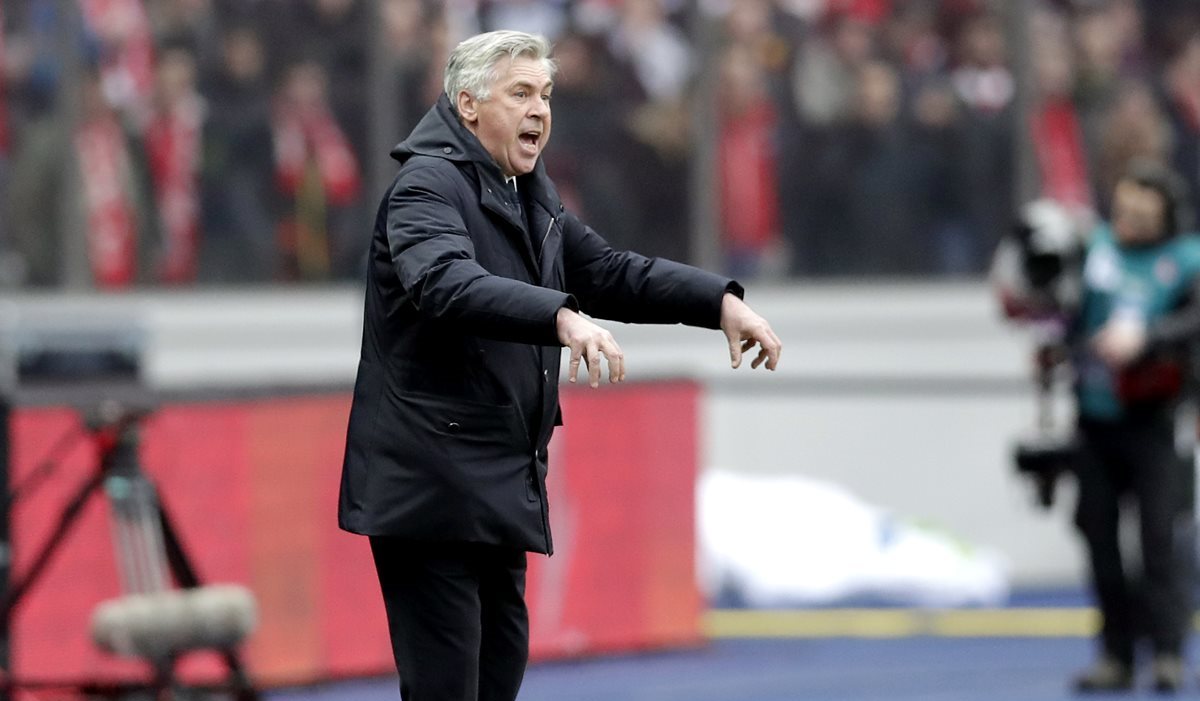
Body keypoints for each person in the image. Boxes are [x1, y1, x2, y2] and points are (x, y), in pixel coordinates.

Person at [336, 30, 782, 701]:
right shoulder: (424, 187)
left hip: (494, 479)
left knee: (498, 675)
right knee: (447, 688)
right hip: (429, 485)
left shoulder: (527, 190)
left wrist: (717, 300)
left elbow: (608, 271)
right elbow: (446, 283)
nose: (539, 110)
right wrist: (559, 315)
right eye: (520, 93)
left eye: (545, 94)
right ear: (468, 104)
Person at [1069, 161, 1200, 693]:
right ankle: (1115, 652)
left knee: (1159, 539)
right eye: (1124, 212)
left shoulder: (1186, 260)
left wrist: (1147, 337)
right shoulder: (1097, 250)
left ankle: (1167, 651)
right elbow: (1064, 309)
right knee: (1098, 537)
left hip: (1157, 418)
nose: (1130, 225)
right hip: (1096, 416)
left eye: (1144, 217)